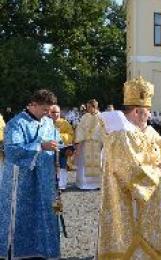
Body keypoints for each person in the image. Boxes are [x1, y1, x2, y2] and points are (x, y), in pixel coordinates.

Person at [98, 76, 161, 259]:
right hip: (132, 205)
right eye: (147, 111)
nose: (150, 115)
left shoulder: (149, 131)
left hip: (155, 203)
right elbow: (131, 172)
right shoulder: (120, 135)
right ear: (136, 111)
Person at [0, 89, 62, 259]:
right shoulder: (16, 123)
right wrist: (40, 146)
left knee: (45, 211)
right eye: (44, 110)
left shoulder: (48, 122)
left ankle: (44, 251)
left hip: (45, 178)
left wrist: (62, 147)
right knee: (23, 215)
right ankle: (19, 251)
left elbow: (55, 141)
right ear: (32, 104)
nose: (47, 114)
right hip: (21, 182)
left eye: (49, 110)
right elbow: (12, 151)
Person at [74, 99, 104, 190]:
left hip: (97, 144)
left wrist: (104, 141)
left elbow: (104, 130)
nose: (87, 109)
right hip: (86, 143)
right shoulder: (84, 117)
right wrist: (79, 141)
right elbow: (80, 129)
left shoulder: (102, 117)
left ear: (94, 107)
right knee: (84, 163)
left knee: (98, 163)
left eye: (88, 107)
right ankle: (85, 184)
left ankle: (97, 184)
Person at [49, 105, 75, 190]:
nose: (55, 114)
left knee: (62, 166)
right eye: (53, 112)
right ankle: (51, 184)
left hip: (62, 148)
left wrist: (60, 136)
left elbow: (71, 134)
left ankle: (61, 185)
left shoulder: (65, 123)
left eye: (57, 112)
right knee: (50, 166)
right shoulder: (46, 122)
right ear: (49, 113)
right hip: (49, 148)